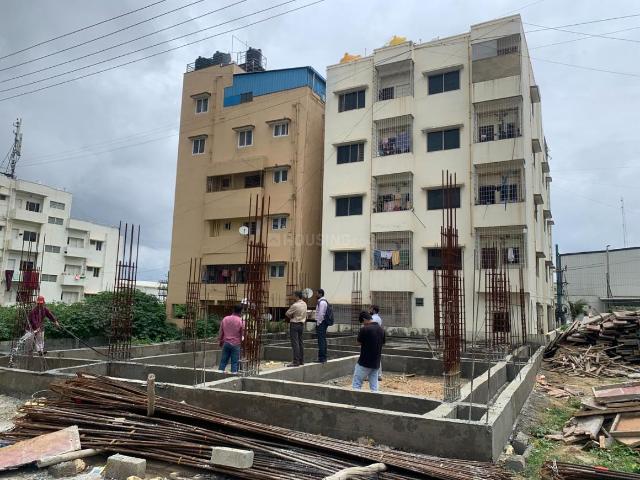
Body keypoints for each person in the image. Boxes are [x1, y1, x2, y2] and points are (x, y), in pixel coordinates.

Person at [352, 311, 385, 392]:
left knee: (356, 384)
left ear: (364, 319)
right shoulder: (381, 330)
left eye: (362, 322)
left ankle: (356, 400)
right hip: (376, 363)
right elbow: (383, 343)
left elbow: (358, 342)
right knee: (374, 387)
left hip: (364, 362)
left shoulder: (364, 329)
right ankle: (375, 399)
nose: (363, 324)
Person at [218, 304, 244, 373]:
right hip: (236, 344)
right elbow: (243, 334)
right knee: (234, 362)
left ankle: (219, 375)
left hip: (226, 343)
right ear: (241, 311)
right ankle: (233, 376)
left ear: (233, 310)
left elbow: (221, 332)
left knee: (223, 361)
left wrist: (220, 341)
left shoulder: (225, 319)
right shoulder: (241, 321)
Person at [285, 290, 307, 367]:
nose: (293, 296)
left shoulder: (295, 305)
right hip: (301, 324)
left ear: (297, 296)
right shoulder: (304, 304)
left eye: (294, 295)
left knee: (295, 343)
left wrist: (292, 317)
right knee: (300, 342)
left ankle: (295, 361)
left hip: (294, 324)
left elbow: (287, 313)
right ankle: (301, 360)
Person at [315, 288, 328, 363]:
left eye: (317, 293)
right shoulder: (322, 301)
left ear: (320, 294)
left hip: (321, 323)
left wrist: (318, 323)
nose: (316, 295)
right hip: (322, 323)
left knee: (321, 341)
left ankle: (322, 358)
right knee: (322, 340)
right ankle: (323, 357)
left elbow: (321, 314)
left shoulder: (322, 302)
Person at [370, 305, 383, 381]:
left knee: (370, 357)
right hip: (378, 340)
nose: (370, 310)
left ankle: (371, 376)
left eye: (371, 309)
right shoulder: (379, 318)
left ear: (374, 310)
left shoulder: (372, 318)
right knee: (377, 357)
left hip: (372, 339)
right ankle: (379, 375)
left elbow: (370, 329)